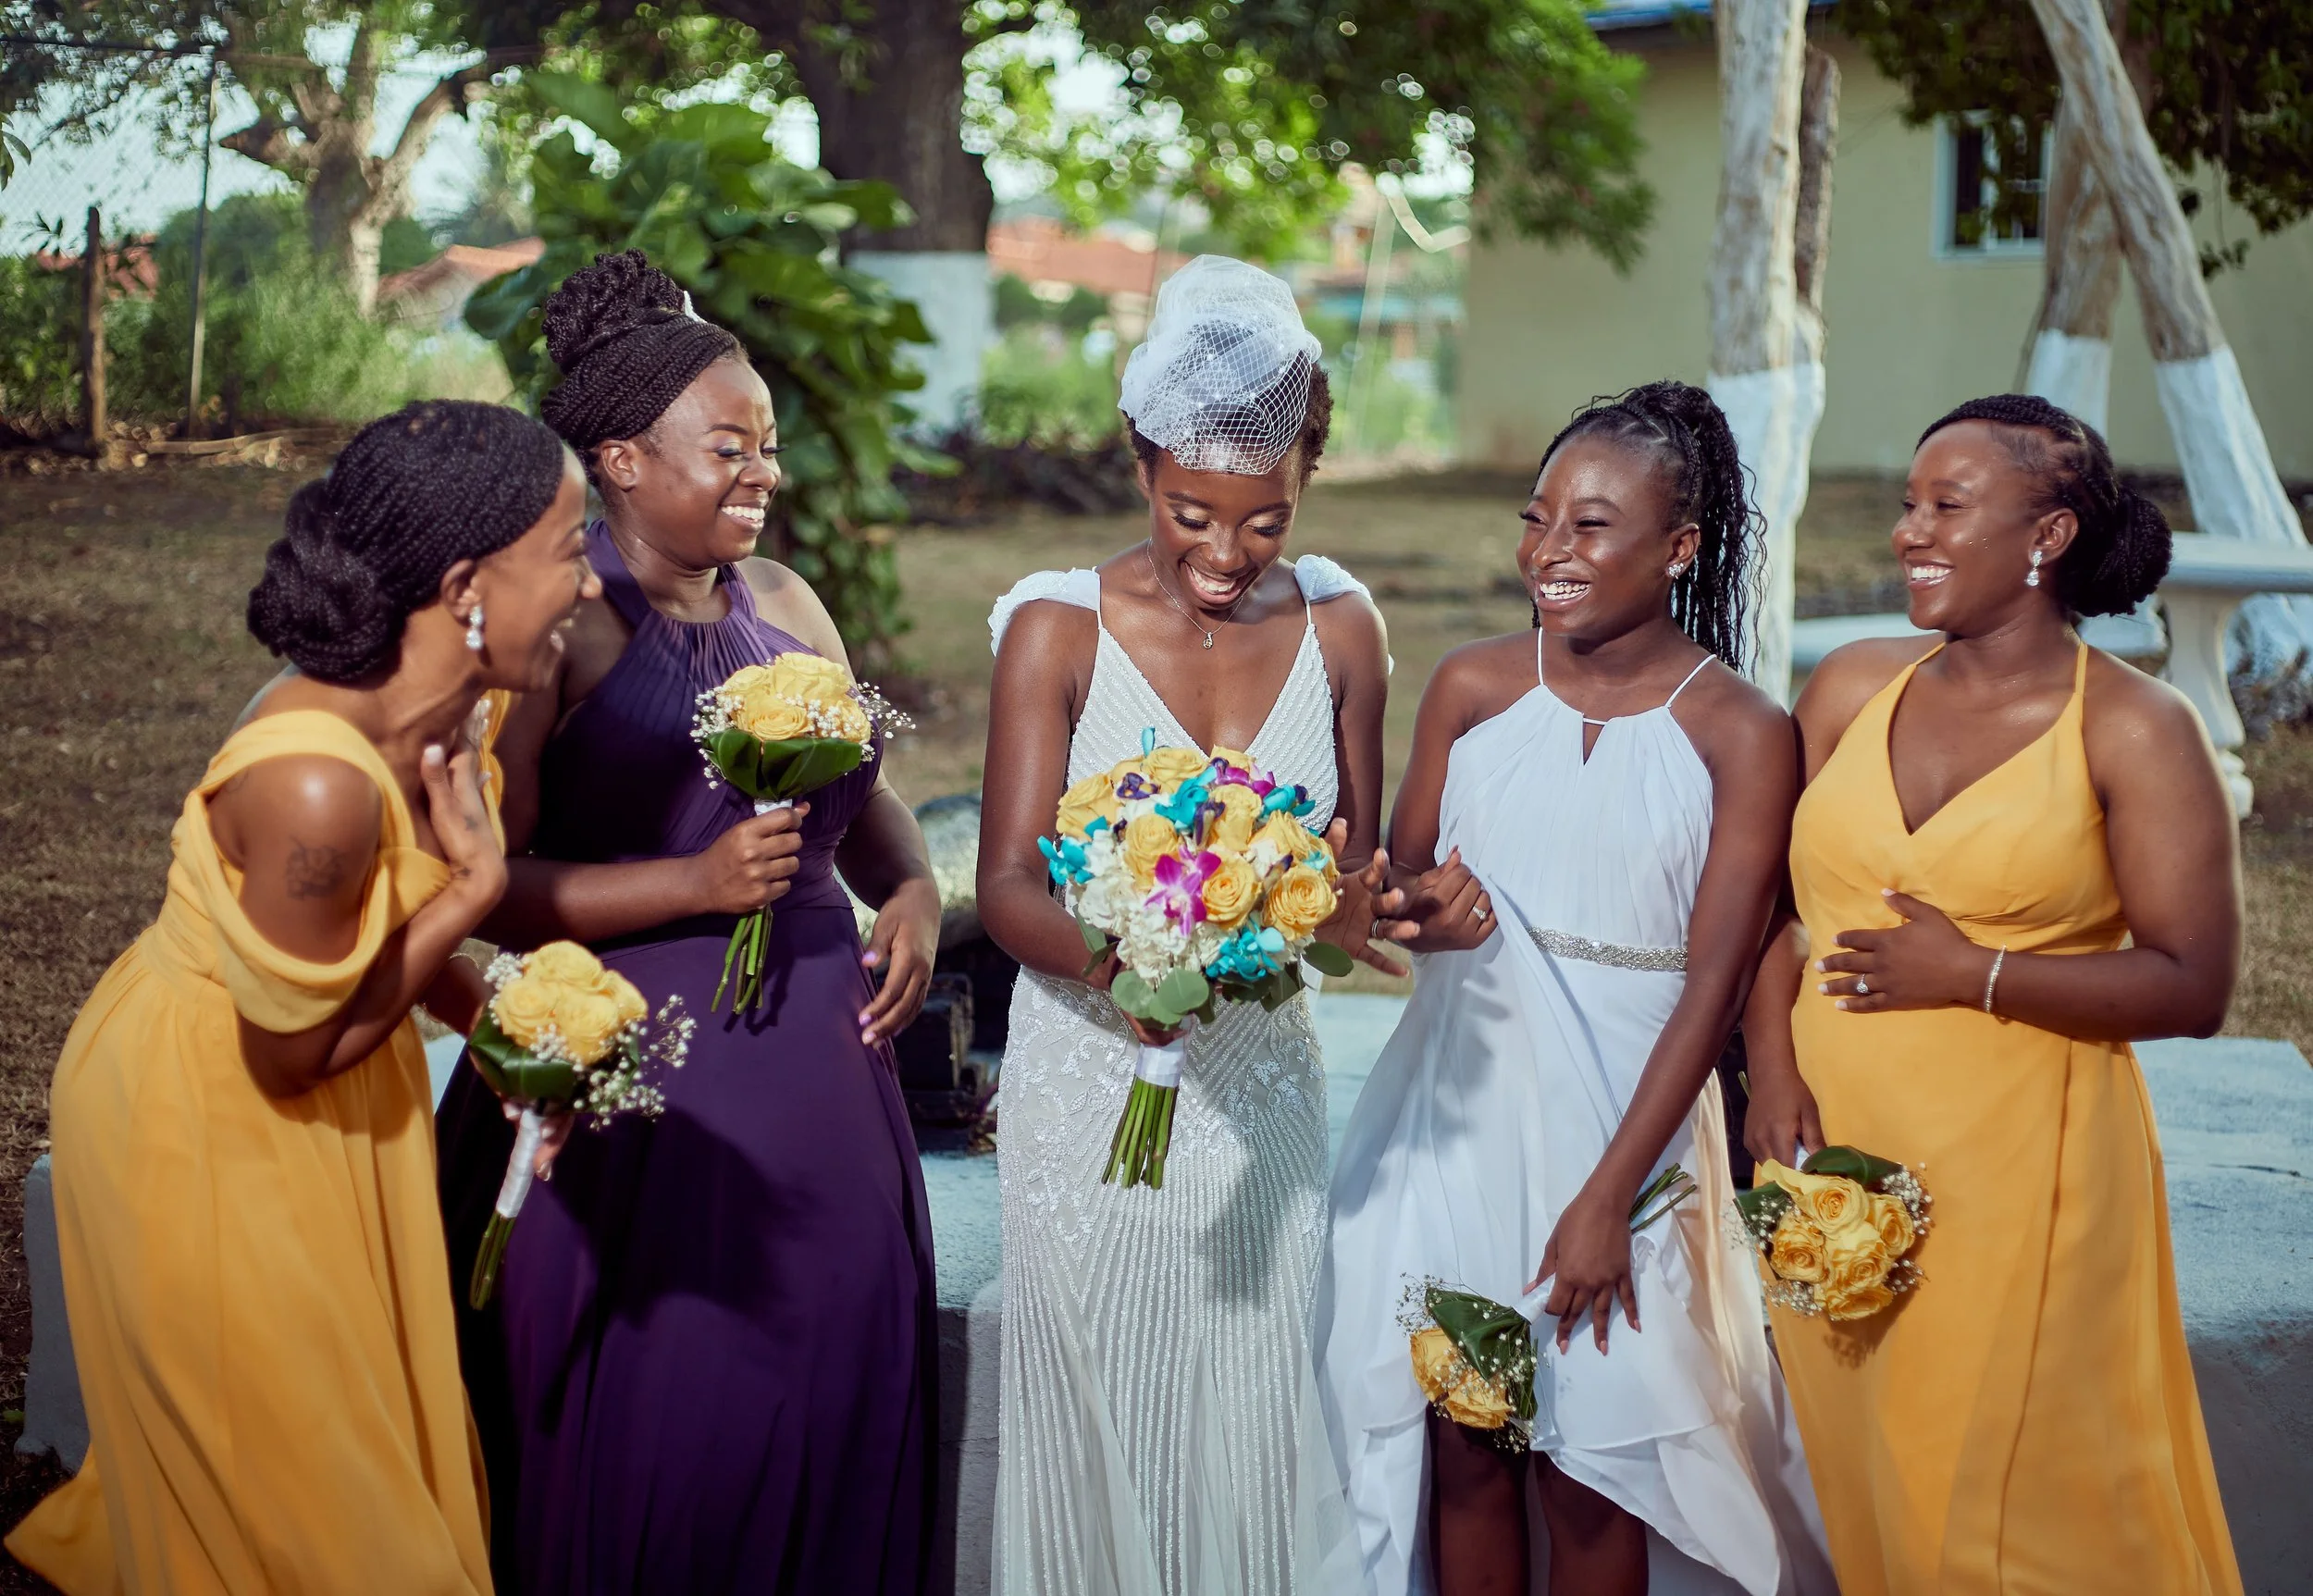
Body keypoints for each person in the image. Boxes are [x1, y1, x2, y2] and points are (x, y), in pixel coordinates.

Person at [4, 401, 592, 1593]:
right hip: (213, 1115)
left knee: (357, 1452)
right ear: (468, 583)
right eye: (571, 551)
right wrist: (475, 888)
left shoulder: (457, 703)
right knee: (323, 1508)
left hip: (328, 1072)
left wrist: (501, 1038)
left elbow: (381, 949)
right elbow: (295, 1050)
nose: (586, 586)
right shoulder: (315, 787)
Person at [434, 250, 943, 1594]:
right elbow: (487, 883)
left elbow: (869, 809)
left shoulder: (788, 607)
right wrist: (692, 888)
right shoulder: (567, 632)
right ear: (619, 459)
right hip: (641, 1077)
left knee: (826, 1385)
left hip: (827, 1084)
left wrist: (915, 891)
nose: (763, 473)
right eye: (730, 448)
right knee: (674, 1415)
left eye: (768, 447)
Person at [1319, 381, 1836, 1596]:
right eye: (1538, 516)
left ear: (1680, 547)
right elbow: (1401, 898)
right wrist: (1415, 913)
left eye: (1592, 526)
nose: (1549, 552)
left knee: (1598, 1470)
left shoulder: (1742, 732)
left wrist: (1610, 1198)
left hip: (1630, 1126)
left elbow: (1716, 979)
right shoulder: (1470, 688)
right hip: (1460, 1116)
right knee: (1471, 1443)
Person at [1740, 394, 2244, 1596]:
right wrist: (1771, 1070)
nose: (1911, 531)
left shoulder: (2134, 730)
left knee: (2004, 1515)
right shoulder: (1853, 688)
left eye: (1947, 507)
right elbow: (1774, 911)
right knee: (1873, 1494)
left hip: (2026, 1170)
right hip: (1830, 1162)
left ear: (2047, 536)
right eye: (1910, 504)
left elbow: (2196, 982)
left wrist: (1979, 972)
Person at [977, 254, 1396, 1596]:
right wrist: (1146, 967)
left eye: (1262, 521)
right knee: (1095, 1374)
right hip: (1090, 1072)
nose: (1224, 555)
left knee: (1253, 1380)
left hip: (1260, 1085)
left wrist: (1333, 914)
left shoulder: (1345, 630)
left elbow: (1349, 877)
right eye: (1189, 514)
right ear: (1142, 464)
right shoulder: (1055, 631)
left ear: (1306, 481)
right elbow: (1003, 888)